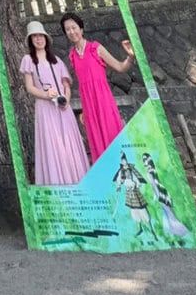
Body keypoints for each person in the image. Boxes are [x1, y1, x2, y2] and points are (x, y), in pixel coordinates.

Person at [20, 19, 89, 186]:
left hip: (63, 108)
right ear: (30, 40)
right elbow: (30, 87)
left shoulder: (56, 60)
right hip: (45, 108)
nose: (38, 39)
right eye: (34, 36)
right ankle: (57, 183)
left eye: (41, 36)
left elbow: (66, 84)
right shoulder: (28, 59)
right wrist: (47, 95)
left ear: (46, 38)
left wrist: (64, 97)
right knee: (52, 144)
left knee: (69, 142)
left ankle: (78, 180)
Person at [61, 11, 135, 162]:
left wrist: (130, 57)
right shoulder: (72, 55)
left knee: (111, 134)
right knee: (96, 140)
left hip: (103, 99)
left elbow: (120, 67)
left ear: (81, 29)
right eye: (67, 29)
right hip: (88, 105)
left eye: (74, 27)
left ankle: (125, 172)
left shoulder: (96, 48)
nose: (71, 31)